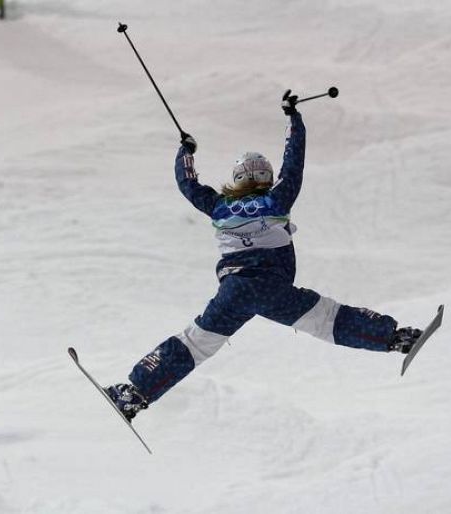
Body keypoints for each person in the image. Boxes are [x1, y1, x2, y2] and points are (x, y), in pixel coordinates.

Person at [105, 90, 423, 421]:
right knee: (327, 319)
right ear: (268, 178)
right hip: (274, 291)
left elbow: (187, 184)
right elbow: (294, 162)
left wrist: (185, 151)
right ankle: (394, 337)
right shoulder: (278, 200)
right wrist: (294, 118)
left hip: (234, 292)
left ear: (236, 180)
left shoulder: (218, 206)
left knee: (195, 343)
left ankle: (135, 394)